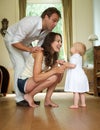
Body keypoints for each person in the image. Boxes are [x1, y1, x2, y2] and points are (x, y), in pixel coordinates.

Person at [4, 7, 61, 106]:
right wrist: (30, 49)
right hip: (12, 40)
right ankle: (20, 99)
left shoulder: (47, 30)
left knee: (31, 65)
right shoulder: (29, 23)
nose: (55, 24)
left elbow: (42, 46)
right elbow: (15, 42)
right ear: (46, 17)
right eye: (54, 20)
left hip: (25, 43)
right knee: (20, 64)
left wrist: (52, 63)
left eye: (57, 22)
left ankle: (29, 96)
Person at [17, 32, 75, 108]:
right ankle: (29, 96)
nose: (60, 44)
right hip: (23, 82)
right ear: (50, 42)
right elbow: (36, 78)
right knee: (53, 75)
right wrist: (55, 70)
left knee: (55, 76)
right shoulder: (40, 53)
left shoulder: (53, 56)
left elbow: (58, 79)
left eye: (61, 42)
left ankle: (47, 100)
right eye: (58, 41)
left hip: (33, 82)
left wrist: (62, 67)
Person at [64, 42, 89, 109]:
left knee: (76, 91)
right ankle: (83, 103)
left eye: (72, 46)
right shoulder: (80, 57)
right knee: (82, 92)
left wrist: (65, 64)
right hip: (81, 76)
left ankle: (75, 105)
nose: (71, 48)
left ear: (76, 50)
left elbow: (73, 65)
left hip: (77, 77)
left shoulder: (74, 56)